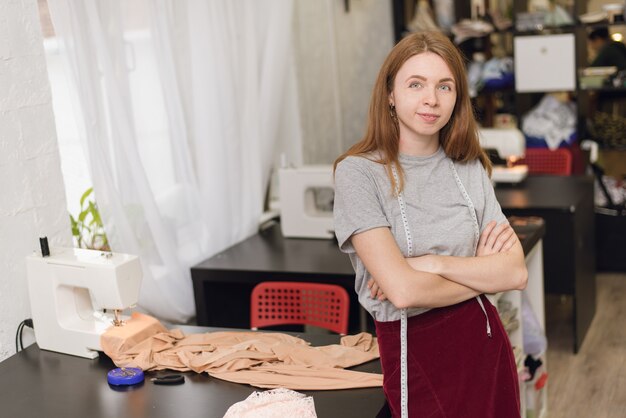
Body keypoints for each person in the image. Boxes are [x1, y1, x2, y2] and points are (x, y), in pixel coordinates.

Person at [333, 31, 527, 417]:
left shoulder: (470, 167)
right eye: (416, 84)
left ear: (457, 98)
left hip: (485, 347)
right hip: (414, 355)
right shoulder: (358, 175)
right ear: (390, 93)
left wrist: (430, 264)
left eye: (445, 86)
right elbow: (403, 293)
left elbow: (515, 272)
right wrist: (479, 272)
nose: (431, 99)